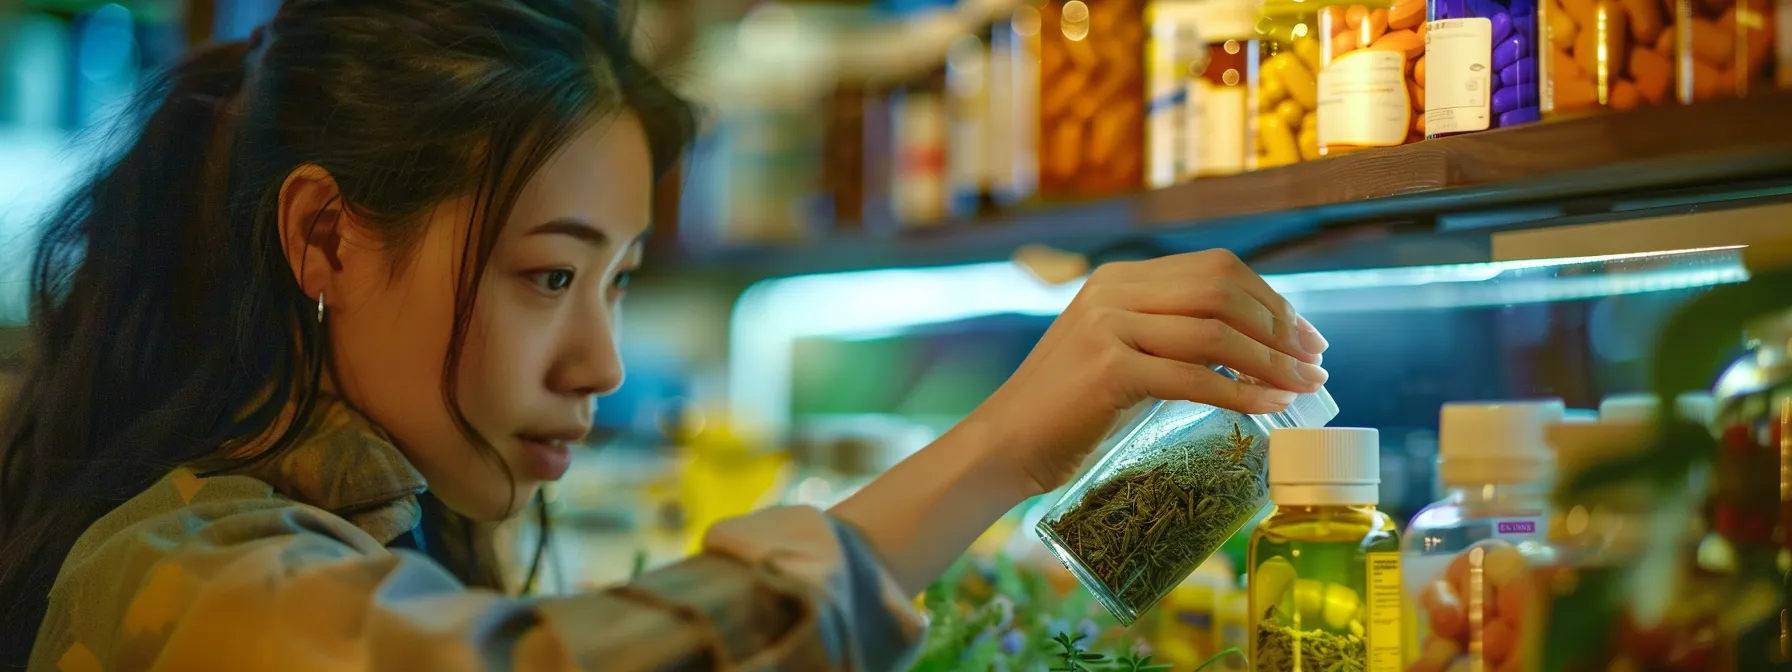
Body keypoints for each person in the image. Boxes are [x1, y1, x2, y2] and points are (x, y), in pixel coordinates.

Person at [0, 0, 1331, 669]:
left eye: (618, 282)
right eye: (543, 277)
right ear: (326, 241)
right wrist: (994, 453)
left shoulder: (384, 535)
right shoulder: (187, 583)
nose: (601, 366)